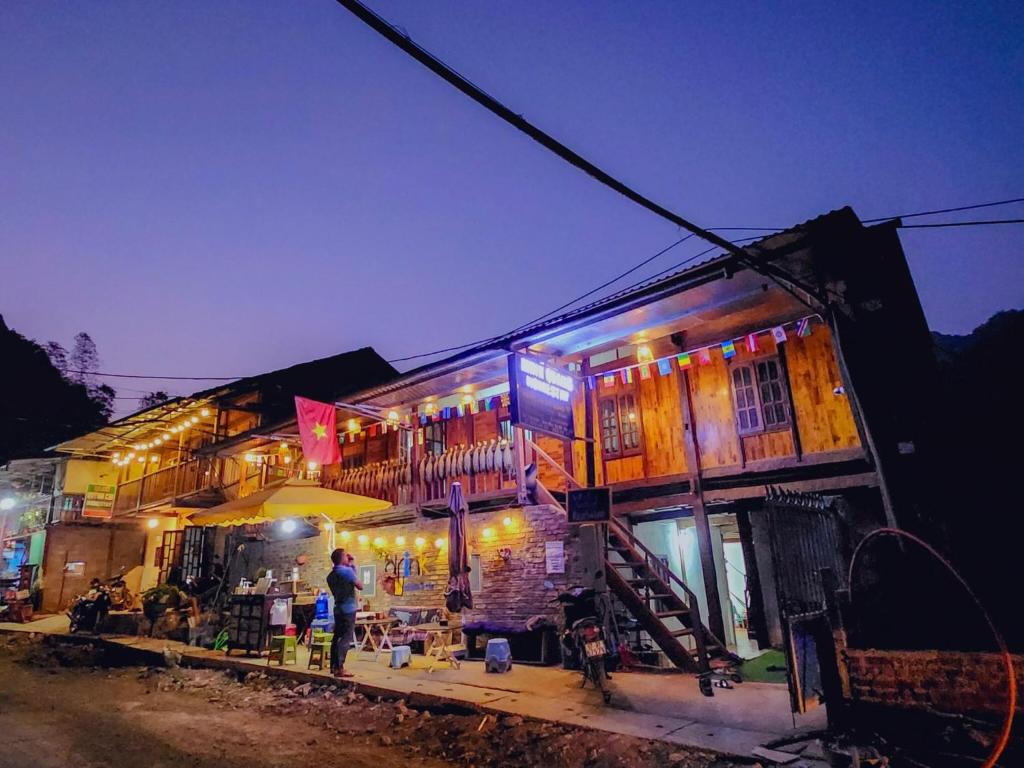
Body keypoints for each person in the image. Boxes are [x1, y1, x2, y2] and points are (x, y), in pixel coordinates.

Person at [326, 547, 362, 678]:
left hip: (338, 609)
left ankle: (334, 667)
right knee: (345, 638)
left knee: (336, 637)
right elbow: (360, 585)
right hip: (349, 609)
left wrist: (350, 565)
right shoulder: (346, 571)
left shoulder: (330, 576)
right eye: (346, 556)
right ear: (342, 558)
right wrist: (352, 565)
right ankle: (340, 668)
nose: (348, 557)